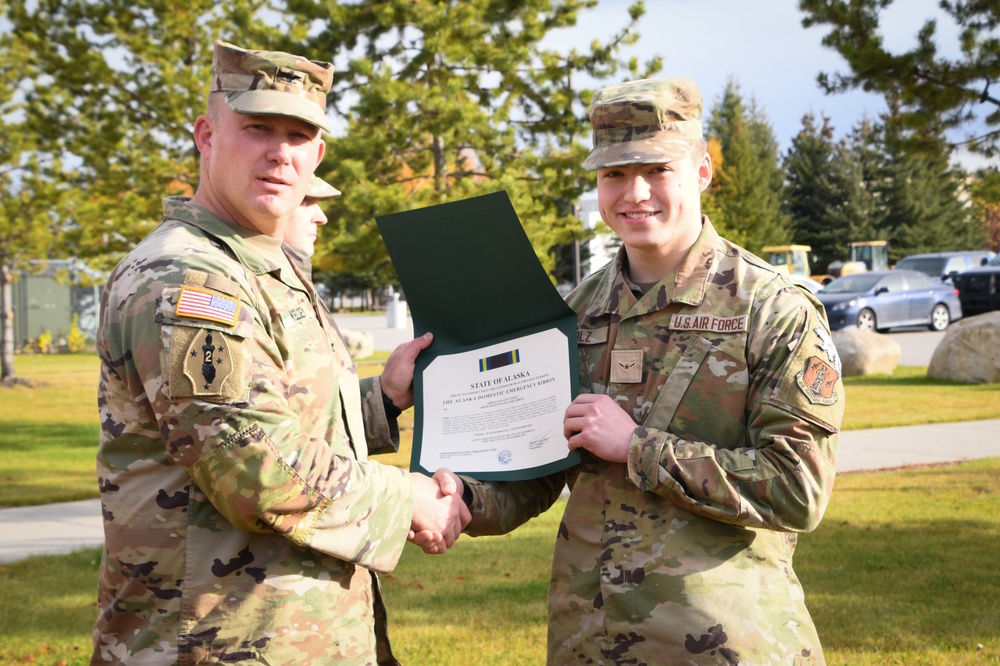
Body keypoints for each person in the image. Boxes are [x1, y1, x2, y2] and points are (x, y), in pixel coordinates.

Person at [438, 77, 845, 664]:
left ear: (701, 171)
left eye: (656, 169)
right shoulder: (577, 312)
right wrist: (465, 501)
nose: (634, 192)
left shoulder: (772, 309)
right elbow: (541, 464)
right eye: (613, 174)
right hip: (590, 640)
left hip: (718, 644)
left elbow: (797, 488)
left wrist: (638, 447)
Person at [92, 40, 468, 665]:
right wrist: (411, 500)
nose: (279, 152)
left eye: (298, 136)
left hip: (291, 635)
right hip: (217, 642)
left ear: (317, 154)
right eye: (257, 128)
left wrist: (384, 399)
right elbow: (255, 466)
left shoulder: (259, 263)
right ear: (207, 136)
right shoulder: (188, 278)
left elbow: (282, 410)